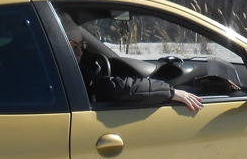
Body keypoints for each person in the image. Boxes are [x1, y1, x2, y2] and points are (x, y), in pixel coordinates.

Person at [70, 38, 204, 113]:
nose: (80, 52)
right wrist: (171, 92)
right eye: (72, 45)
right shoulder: (75, 73)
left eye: (82, 45)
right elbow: (117, 88)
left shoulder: (65, 71)